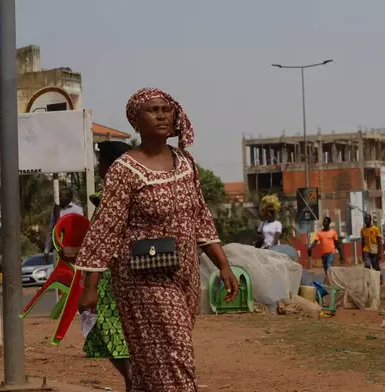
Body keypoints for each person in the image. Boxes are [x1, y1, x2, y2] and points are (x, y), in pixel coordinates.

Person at [75, 88, 239, 392]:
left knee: (157, 358)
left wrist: (223, 265)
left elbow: (200, 216)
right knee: (176, 353)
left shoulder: (186, 163)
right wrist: (91, 286)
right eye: (153, 110)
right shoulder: (124, 170)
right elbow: (105, 228)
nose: (162, 115)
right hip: (142, 277)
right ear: (136, 121)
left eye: (166, 109)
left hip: (184, 274)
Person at [82, 141, 132, 390]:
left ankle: (135, 384)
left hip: (112, 283)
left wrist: (89, 287)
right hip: (114, 279)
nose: (98, 165)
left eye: (102, 160)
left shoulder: (113, 199)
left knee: (115, 338)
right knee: (113, 340)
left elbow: (101, 243)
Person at [44, 187, 83, 263]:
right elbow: (51, 230)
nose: (58, 198)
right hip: (57, 248)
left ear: (69, 197)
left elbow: (80, 228)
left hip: (71, 248)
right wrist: (46, 250)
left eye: (60, 196)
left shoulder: (77, 210)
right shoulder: (56, 210)